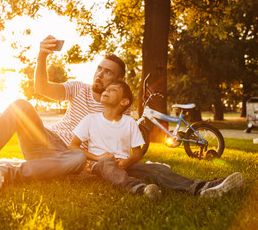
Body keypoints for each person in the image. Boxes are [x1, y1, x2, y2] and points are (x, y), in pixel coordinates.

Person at [0, 35, 127, 191]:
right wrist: (42, 57)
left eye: (108, 72)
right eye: (99, 68)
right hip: (44, 139)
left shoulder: (118, 111)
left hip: (68, 157)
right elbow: (41, 88)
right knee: (20, 106)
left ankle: (3, 173)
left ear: (119, 80)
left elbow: (119, 149)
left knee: (78, 157)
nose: (100, 74)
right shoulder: (78, 88)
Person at [68, 80, 244, 199]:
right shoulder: (90, 119)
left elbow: (137, 153)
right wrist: (99, 158)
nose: (106, 91)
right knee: (107, 162)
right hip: (98, 166)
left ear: (124, 102)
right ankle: (140, 189)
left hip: (125, 167)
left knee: (156, 169)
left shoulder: (129, 123)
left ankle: (203, 187)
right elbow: (72, 147)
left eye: (113, 90)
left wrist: (128, 161)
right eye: (106, 89)